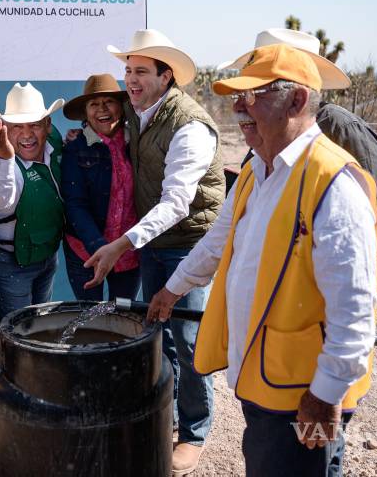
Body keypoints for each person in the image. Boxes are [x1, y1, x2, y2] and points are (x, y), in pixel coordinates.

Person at [147, 41, 377, 477]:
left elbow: (354, 309)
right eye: (237, 96)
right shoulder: (257, 170)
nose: (239, 108)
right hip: (266, 382)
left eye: (252, 96)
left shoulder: (333, 183)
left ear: (295, 100)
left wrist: (325, 394)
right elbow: (217, 242)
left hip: (303, 394)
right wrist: (172, 289)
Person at [85, 29, 225, 475]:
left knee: (188, 340)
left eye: (141, 71)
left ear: (166, 76)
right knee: (161, 335)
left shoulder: (189, 127)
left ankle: (195, 433)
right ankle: (169, 418)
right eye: (127, 70)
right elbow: (98, 118)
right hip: (155, 244)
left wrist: (122, 242)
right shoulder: (141, 111)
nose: (130, 79)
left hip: (188, 245)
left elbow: (177, 203)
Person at [220, 28, 377, 290]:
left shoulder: (341, 128)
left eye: (262, 86)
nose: (245, 102)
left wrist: (365, 289)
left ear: (295, 93)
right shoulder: (265, 133)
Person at [0, 82, 66, 317]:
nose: (27, 134)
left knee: (41, 324)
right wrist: (4, 158)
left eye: (35, 125)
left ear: (48, 126)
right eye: (17, 126)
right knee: (19, 331)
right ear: (5, 129)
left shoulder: (54, 147)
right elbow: (0, 201)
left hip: (48, 257)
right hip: (12, 264)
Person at [60, 73, 140, 301]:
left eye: (109, 102)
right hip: (85, 250)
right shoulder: (75, 148)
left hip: (127, 250)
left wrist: (117, 249)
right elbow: (75, 205)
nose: (102, 109)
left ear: (121, 107)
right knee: (89, 318)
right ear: (85, 113)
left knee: (123, 316)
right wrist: (100, 247)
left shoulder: (138, 143)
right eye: (94, 104)